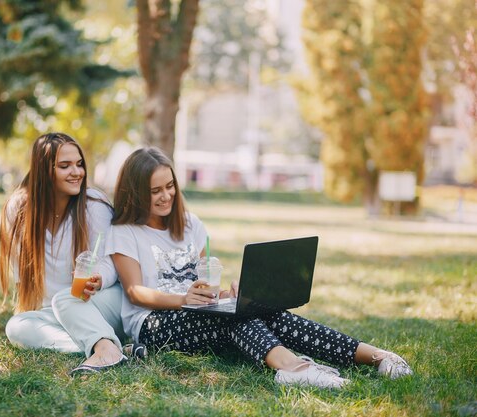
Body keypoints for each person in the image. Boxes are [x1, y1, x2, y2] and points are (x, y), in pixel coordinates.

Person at [105, 147, 413, 389]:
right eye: (155, 190)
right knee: (236, 319)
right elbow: (135, 292)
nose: (166, 195)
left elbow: (204, 285)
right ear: (136, 192)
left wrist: (227, 295)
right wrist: (184, 300)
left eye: (170, 186)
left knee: (263, 313)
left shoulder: (190, 225)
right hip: (153, 325)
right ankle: (294, 368)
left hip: (199, 312)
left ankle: (378, 357)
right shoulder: (124, 231)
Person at [0, 132, 142, 375]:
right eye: (65, 166)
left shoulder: (94, 205)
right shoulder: (18, 208)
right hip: (54, 313)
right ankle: (109, 347)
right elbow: (21, 275)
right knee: (16, 327)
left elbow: (112, 263)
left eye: (79, 164)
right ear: (44, 170)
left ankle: (102, 342)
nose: (77, 172)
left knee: (65, 300)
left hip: (99, 302)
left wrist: (99, 279)